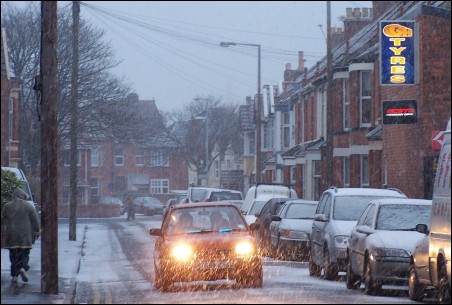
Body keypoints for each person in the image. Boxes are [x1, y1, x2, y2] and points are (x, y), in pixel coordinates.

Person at [1, 187, 41, 283]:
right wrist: (37, 231)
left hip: (12, 235)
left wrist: (3, 228)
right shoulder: (28, 206)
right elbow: (35, 219)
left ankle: (14, 275)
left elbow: (2, 218)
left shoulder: (7, 206)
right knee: (25, 253)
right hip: (25, 235)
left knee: (13, 255)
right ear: (23, 196)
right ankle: (23, 267)